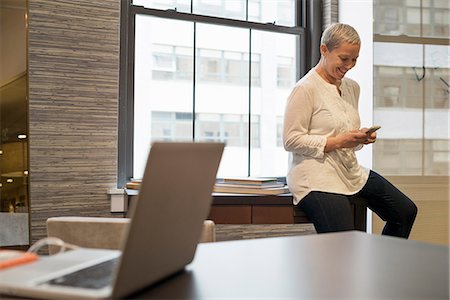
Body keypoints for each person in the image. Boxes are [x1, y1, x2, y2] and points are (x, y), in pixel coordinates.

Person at [283, 23, 417, 238]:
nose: (349, 65)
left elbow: (345, 133)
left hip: (349, 171)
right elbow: (291, 140)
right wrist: (338, 141)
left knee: (405, 211)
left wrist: (359, 138)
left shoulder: (352, 87)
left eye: (354, 59)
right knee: (345, 243)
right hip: (316, 176)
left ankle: (384, 268)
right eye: (344, 58)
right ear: (324, 49)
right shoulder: (305, 89)